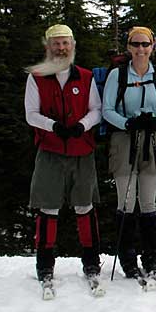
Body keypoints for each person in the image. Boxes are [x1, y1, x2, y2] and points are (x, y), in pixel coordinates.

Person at [24, 24, 103, 285]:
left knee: (85, 205)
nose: (61, 48)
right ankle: (45, 263)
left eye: (65, 43)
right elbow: (31, 114)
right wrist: (54, 127)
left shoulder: (85, 76)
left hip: (81, 148)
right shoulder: (36, 77)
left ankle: (91, 261)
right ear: (48, 47)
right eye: (56, 43)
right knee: (48, 206)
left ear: (73, 45)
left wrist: (83, 125)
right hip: (51, 149)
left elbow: (96, 110)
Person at [102, 26, 156, 277]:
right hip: (124, 139)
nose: (141, 49)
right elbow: (107, 109)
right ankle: (128, 258)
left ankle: (151, 258)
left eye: (145, 44)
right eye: (136, 44)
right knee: (127, 201)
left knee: (149, 201)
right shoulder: (117, 75)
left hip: (151, 140)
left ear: (153, 46)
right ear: (129, 47)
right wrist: (126, 123)